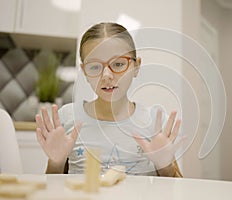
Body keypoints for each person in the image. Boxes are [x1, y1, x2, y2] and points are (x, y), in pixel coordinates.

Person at [35, 22, 184, 177]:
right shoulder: (68, 117)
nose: (106, 75)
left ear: (136, 66)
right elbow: (53, 187)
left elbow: (177, 189)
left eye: (118, 64)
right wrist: (55, 163)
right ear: (85, 72)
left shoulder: (154, 122)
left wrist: (164, 166)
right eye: (94, 67)